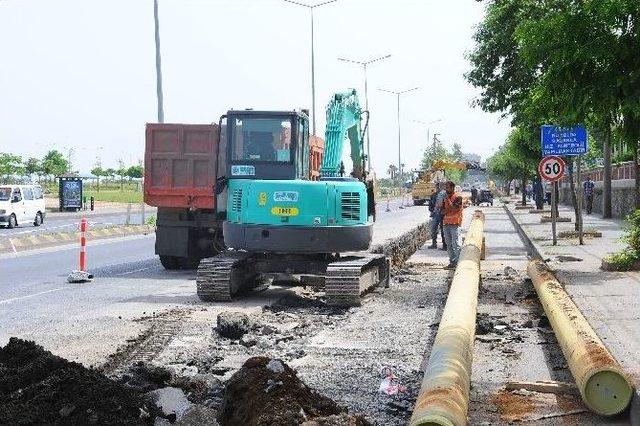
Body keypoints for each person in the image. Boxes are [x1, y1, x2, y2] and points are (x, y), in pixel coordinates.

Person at [442, 180, 464, 269]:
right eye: (445, 187)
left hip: (455, 223)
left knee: (456, 244)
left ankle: (458, 262)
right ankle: (452, 262)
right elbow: (442, 211)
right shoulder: (444, 198)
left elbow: (455, 208)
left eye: (447, 187)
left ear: (452, 188)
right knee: (448, 244)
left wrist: (448, 203)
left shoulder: (458, 197)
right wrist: (449, 209)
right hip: (446, 223)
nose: (446, 189)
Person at [428, 182, 447, 250]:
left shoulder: (445, 195)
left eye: (439, 187)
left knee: (443, 230)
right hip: (435, 215)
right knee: (433, 230)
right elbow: (430, 205)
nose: (438, 188)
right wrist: (433, 210)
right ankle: (434, 244)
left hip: (443, 215)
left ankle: (444, 245)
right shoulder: (433, 195)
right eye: (437, 187)